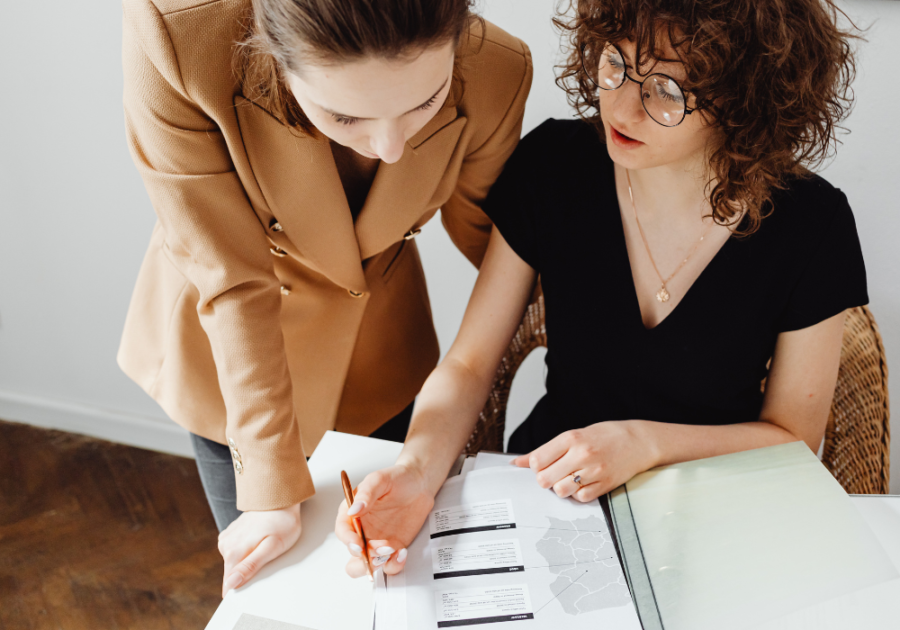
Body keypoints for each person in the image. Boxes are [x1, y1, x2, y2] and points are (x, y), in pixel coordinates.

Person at [336, 0, 866, 577]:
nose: (620, 104)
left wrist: (644, 443)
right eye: (616, 62)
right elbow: (468, 364)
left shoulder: (812, 222)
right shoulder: (555, 164)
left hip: (713, 508)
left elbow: (792, 438)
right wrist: (416, 470)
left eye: (665, 90)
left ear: (746, 104)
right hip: (547, 492)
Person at [119, 0, 532, 596]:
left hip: (380, 351)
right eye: (344, 118)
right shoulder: (178, 39)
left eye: (424, 102)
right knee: (278, 591)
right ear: (273, 56)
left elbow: (495, 242)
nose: (389, 148)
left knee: (386, 586)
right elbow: (231, 276)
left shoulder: (496, 68)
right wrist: (269, 487)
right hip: (232, 362)